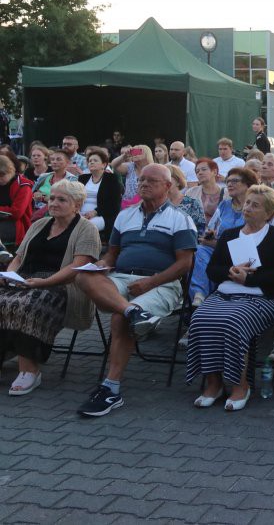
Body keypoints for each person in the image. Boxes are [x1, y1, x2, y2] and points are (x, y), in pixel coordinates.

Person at [75, 164, 197, 416]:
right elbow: (112, 254)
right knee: (84, 275)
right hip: (120, 278)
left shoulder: (180, 218)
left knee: (119, 319)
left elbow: (185, 264)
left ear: (168, 186)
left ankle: (110, 388)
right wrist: (103, 264)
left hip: (161, 284)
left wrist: (150, 283)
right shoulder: (125, 216)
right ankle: (133, 311)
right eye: (141, 180)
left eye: (152, 181)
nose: (144, 184)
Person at [187, 185, 274, 411]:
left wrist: (249, 279)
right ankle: (213, 383)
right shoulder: (230, 235)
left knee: (234, 321)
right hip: (227, 293)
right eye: (247, 203)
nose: (248, 208)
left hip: (264, 298)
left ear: (269, 213)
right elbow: (212, 269)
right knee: (200, 319)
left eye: (256, 205)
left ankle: (240, 385)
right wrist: (230, 271)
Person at [0, 180, 101, 395]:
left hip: (63, 284)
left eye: (61, 199)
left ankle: (29, 371)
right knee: (5, 299)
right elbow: (19, 257)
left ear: (77, 205)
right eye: (52, 198)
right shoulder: (39, 225)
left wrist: (45, 282)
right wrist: (10, 275)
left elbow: (78, 267)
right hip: (25, 279)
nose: (53, 203)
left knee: (28, 304)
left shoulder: (87, 229)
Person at [191, 168, 258, 302]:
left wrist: (219, 244)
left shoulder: (255, 207)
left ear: (248, 185)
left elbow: (253, 237)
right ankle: (199, 296)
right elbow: (211, 228)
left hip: (245, 254)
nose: (229, 184)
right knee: (200, 250)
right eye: (228, 181)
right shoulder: (224, 205)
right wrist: (210, 234)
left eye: (235, 181)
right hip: (219, 250)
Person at [0, 153, 34, 244]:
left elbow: (16, 212)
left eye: (2, 175)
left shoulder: (23, 186)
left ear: (10, 171)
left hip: (17, 225)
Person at [111, 145, 154, 209]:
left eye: (138, 151)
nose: (135, 154)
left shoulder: (154, 169)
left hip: (146, 205)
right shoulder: (130, 166)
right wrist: (124, 155)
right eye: (133, 152)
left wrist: (140, 203)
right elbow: (114, 165)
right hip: (127, 205)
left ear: (147, 154)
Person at [167, 165, 206, 236]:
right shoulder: (156, 203)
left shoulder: (192, 203)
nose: (164, 181)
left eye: (167, 178)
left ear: (178, 182)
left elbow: (200, 231)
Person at [185, 158, 224, 225]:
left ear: (214, 172)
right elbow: (185, 216)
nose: (200, 173)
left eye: (204, 169)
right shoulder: (190, 193)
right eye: (197, 171)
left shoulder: (226, 193)